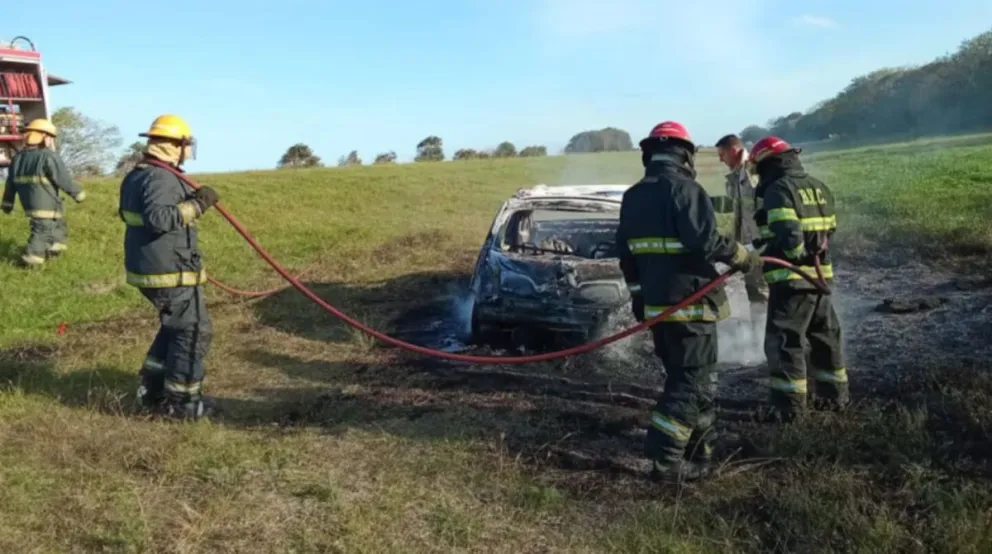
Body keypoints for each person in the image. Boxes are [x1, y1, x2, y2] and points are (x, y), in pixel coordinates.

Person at [615, 121, 762, 483]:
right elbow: (706, 242)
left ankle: (702, 450)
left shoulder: (633, 196)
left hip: (657, 308)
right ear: (685, 154)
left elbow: (627, 257)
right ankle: (666, 461)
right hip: (691, 307)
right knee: (690, 384)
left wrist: (639, 301)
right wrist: (744, 256)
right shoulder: (686, 189)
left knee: (697, 380)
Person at [118, 114, 221, 420]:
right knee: (193, 330)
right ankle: (182, 405)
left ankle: (152, 390)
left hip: (153, 267)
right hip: (169, 270)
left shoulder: (138, 174)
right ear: (176, 145)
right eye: (186, 144)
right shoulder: (160, 178)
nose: (188, 150)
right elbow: (160, 219)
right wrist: (199, 205)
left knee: (173, 327)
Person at [749, 136, 847, 422]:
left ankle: (789, 410)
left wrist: (792, 253)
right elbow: (830, 230)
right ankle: (834, 398)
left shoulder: (779, 188)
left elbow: (789, 234)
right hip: (820, 278)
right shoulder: (819, 186)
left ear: (767, 163)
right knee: (825, 338)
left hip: (791, 279)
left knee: (784, 342)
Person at [1, 118, 86, 266]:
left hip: (30, 203)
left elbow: (10, 184)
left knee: (58, 225)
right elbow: (63, 179)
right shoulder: (48, 156)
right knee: (42, 230)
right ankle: (30, 260)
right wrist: (77, 193)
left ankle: (55, 250)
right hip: (45, 204)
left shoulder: (18, 158)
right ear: (44, 137)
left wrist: (7, 203)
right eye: (50, 138)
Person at [715, 134, 768, 326]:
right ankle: (759, 330)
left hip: (761, 241)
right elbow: (736, 208)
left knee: (761, 288)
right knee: (753, 287)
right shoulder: (736, 175)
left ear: (734, 150)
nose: (720, 159)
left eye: (722, 154)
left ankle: (765, 332)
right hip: (747, 242)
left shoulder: (753, 170)